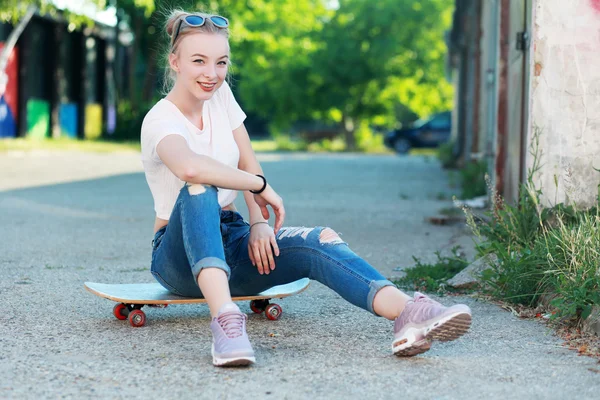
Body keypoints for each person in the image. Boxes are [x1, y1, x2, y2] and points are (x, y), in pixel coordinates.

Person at [140, 9, 472, 367]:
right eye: (199, 61)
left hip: (231, 240)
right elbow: (191, 167)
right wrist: (259, 186)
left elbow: (247, 160)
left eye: (221, 63)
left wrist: (258, 223)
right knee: (198, 186)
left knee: (320, 242)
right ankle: (226, 322)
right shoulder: (160, 119)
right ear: (175, 61)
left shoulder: (220, 99)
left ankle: (407, 313)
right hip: (177, 257)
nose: (212, 74)